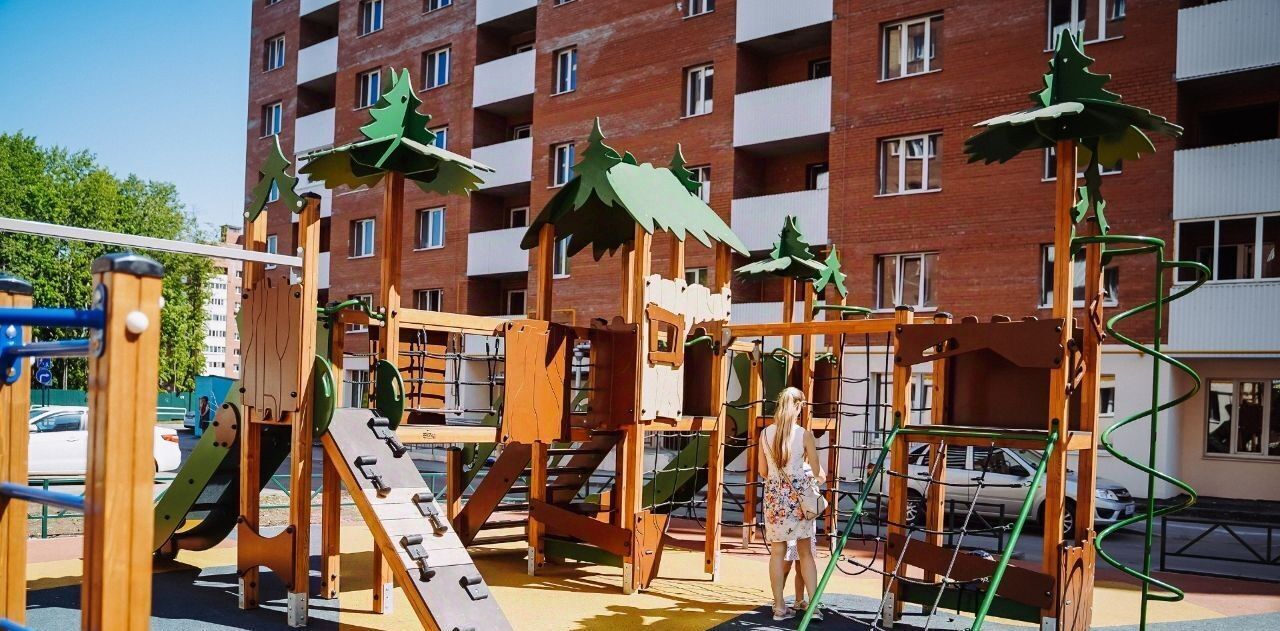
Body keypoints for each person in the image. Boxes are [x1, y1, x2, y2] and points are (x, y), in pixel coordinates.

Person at [759, 387, 824, 621]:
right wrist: (814, 477)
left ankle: (779, 607)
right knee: (805, 553)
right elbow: (818, 472)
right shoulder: (804, 435)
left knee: (777, 551)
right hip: (798, 500)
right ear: (798, 406)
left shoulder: (765, 434)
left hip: (774, 498)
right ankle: (813, 606)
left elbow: (763, 471)